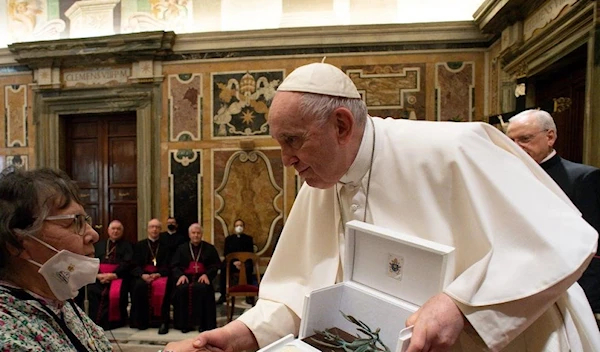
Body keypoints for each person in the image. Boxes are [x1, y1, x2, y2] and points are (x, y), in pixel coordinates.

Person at [165, 63, 600, 352]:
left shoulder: (454, 148)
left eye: (293, 141)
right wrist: (243, 334)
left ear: (341, 124)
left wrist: (461, 304)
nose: (286, 160)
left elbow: (563, 237)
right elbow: (304, 284)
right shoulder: (322, 178)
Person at [0, 167, 112, 351]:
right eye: (75, 222)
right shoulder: (5, 328)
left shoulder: (58, 302)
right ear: (17, 244)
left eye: (86, 221)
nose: (93, 235)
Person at [506, 109, 600, 320]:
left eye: (525, 139)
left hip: (569, 288)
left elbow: (594, 245)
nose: (516, 146)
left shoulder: (583, 177)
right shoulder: (507, 176)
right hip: (520, 285)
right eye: (511, 140)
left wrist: (590, 302)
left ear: (550, 137)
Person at [83, 219, 133, 330]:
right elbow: (92, 260)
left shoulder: (127, 246)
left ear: (122, 231)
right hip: (99, 276)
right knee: (92, 290)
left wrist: (114, 275)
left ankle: (114, 322)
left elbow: (127, 263)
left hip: (117, 277)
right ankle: (94, 320)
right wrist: (98, 275)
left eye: (118, 229)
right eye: (113, 229)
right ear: (108, 230)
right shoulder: (99, 245)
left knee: (117, 293)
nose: (115, 231)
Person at [171, 223, 221, 333]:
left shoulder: (209, 248)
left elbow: (216, 265)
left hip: (202, 277)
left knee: (204, 289)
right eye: (193, 233)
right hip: (186, 278)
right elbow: (174, 265)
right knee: (181, 289)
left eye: (198, 233)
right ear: (189, 235)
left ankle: (204, 324)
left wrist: (207, 275)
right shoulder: (181, 248)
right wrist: (180, 275)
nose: (196, 235)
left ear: (202, 234)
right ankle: (184, 324)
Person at [130, 218, 172, 334]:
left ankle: (162, 322)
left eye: (157, 227)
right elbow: (134, 264)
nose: (154, 229)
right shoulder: (139, 245)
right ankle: (141, 321)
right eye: (152, 227)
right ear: (147, 229)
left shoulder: (166, 246)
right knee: (139, 286)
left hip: (160, 275)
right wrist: (142, 275)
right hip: (143, 276)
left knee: (164, 288)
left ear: (160, 229)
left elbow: (169, 264)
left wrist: (159, 274)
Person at [216, 218, 255, 305]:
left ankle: (249, 296)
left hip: (245, 263)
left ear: (244, 227)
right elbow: (227, 253)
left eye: (241, 225)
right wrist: (234, 262)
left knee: (249, 268)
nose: (239, 227)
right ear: (234, 227)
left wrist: (242, 262)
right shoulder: (229, 239)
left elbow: (250, 253)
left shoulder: (248, 239)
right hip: (232, 263)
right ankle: (223, 294)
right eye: (237, 225)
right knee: (224, 268)